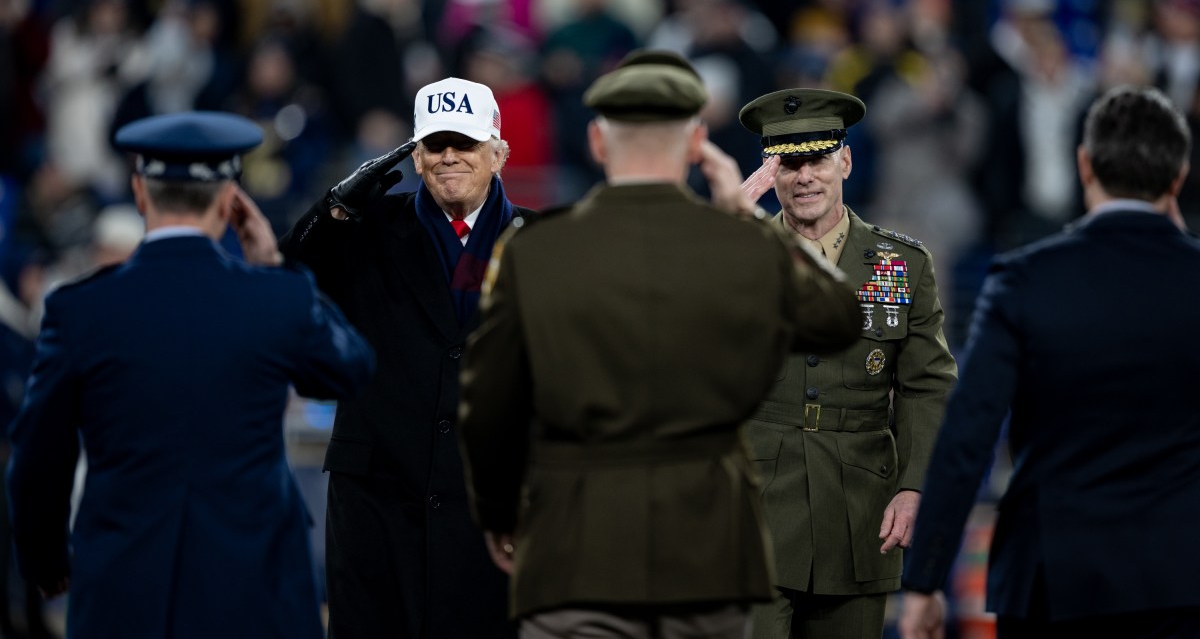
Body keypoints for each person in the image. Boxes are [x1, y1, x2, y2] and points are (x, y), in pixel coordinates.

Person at [457, 49, 862, 639]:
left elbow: (487, 404)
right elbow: (839, 318)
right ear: (697, 141)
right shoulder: (737, 245)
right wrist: (747, 222)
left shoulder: (535, 250)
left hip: (575, 550)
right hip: (708, 556)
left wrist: (498, 514)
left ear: (598, 142)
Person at [6, 112, 375, 639]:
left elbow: (38, 454)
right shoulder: (273, 298)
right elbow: (351, 367)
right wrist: (275, 267)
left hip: (123, 589)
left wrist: (44, 562)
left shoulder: (80, 309)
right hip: (255, 591)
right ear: (229, 201)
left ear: (139, 193)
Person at [899, 85, 1200, 639]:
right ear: (1178, 176)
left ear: (1085, 166)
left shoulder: (1023, 280)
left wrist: (924, 580)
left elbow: (967, 437)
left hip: (1052, 582)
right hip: (1183, 582)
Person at [279, 76, 534, 638]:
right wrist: (336, 208)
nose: (448, 157)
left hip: (494, 508)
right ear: (414, 157)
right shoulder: (363, 229)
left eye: (464, 143)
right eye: (434, 144)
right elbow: (287, 283)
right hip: (377, 504)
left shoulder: (542, 241)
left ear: (499, 153)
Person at [737, 88, 959, 639]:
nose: (805, 176)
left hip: (859, 515)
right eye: (789, 163)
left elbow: (926, 385)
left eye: (817, 159)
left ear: (846, 161)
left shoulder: (901, 263)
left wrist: (914, 487)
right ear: (771, 173)